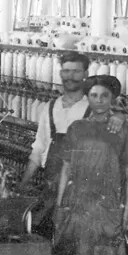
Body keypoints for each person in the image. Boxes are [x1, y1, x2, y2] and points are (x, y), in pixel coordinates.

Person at [54, 75, 128, 255]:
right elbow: (66, 169)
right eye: (94, 95)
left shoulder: (122, 129)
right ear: (87, 97)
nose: (99, 100)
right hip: (78, 202)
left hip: (107, 204)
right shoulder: (76, 128)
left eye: (104, 96)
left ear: (113, 99)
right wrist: (60, 206)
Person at [22, 51, 91, 210]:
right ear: (60, 73)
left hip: (81, 192)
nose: (70, 76)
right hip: (51, 187)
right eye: (66, 71)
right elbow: (38, 149)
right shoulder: (50, 107)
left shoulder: (92, 110)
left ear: (85, 74)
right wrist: (22, 184)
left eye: (76, 71)